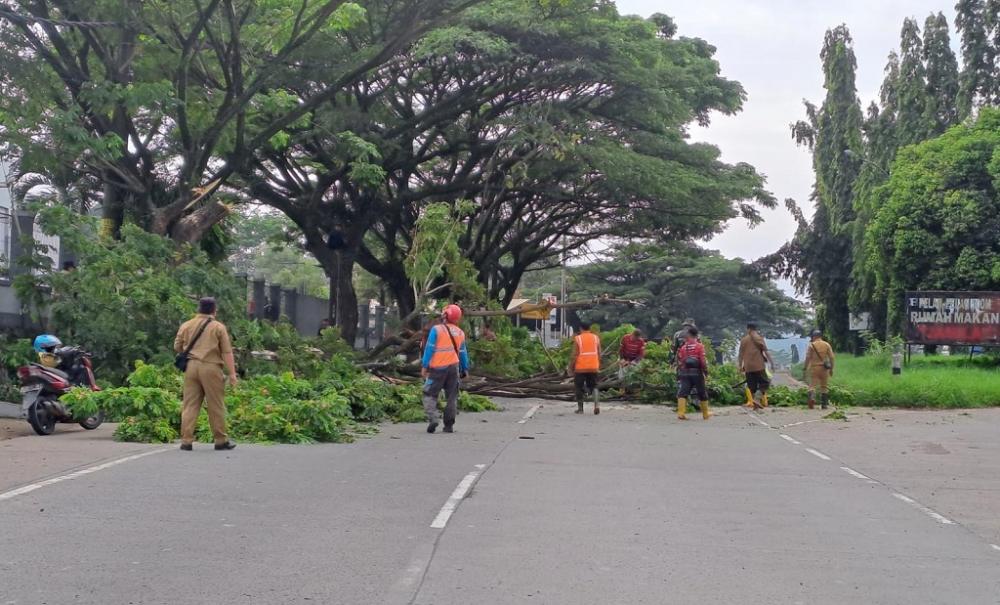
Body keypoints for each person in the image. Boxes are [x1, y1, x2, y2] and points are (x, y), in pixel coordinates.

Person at [174, 297, 238, 451]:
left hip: (191, 367)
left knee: (190, 404)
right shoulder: (218, 327)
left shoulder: (186, 325)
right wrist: (232, 374)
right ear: (214, 310)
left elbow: (177, 346)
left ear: (199, 309)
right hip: (211, 367)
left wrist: (190, 351)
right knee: (215, 404)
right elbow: (226, 352)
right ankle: (220, 440)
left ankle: (186, 441)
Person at [421, 304, 469, 434]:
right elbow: (463, 353)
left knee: (429, 394)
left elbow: (429, 349)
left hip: (437, 368)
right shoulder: (460, 333)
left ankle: (433, 418)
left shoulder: (437, 330)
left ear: (445, 315)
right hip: (453, 368)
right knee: (452, 397)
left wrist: (425, 366)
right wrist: (465, 369)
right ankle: (449, 426)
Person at [675, 327, 710, 420]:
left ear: (689, 335)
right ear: (696, 335)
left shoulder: (683, 347)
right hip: (697, 373)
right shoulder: (699, 346)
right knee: (702, 392)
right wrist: (705, 370)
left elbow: (681, 360)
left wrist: (681, 371)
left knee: (683, 392)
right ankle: (705, 414)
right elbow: (702, 360)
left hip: (685, 372)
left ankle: (681, 413)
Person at [738, 322, 773, 410]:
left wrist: (740, 366)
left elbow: (740, 355)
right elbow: (766, 352)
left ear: (748, 329)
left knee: (752, 386)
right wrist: (772, 363)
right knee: (765, 383)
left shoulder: (744, 340)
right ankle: (757, 399)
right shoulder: (759, 338)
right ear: (755, 329)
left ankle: (755, 406)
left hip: (748, 367)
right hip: (759, 365)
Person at [568, 324, 601, 415]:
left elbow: (575, 355)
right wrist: (597, 364)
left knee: (578, 387)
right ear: (589, 329)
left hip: (580, 367)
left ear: (580, 328)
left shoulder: (578, 338)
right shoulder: (596, 338)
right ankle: (596, 405)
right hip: (593, 366)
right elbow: (599, 353)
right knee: (594, 386)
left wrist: (570, 367)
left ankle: (580, 409)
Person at [804, 329, 835, 409]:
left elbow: (808, 357)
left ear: (814, 337)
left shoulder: (811, 345)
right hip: (824, 369)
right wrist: (831, 369)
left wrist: (805, 368)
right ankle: (824, 404)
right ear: (821, 336)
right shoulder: (826, 344)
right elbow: (832, 357)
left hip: (814, 368)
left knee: (812, 385)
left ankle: (812, 398)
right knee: (824, 386)